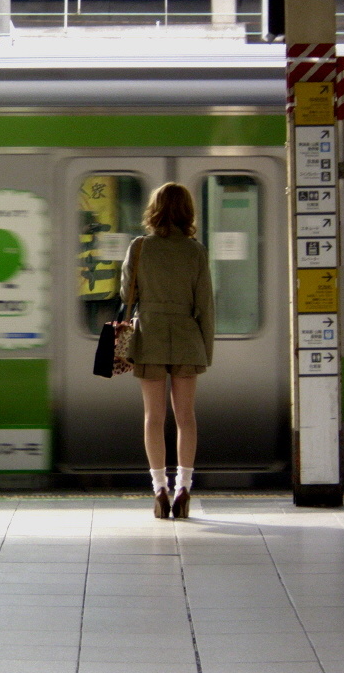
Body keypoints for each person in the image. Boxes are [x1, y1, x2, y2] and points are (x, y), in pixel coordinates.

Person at [120, 182, 214, 519]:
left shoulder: (140, 247)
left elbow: (125, 295)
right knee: (186, 417)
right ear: (187, 211)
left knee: (154, 418)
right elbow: (205, 304)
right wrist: (206, 350)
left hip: (151, 336)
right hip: (187, 338)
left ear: (154, 209)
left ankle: (159, 489)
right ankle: (184, 488)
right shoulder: (195, 251)